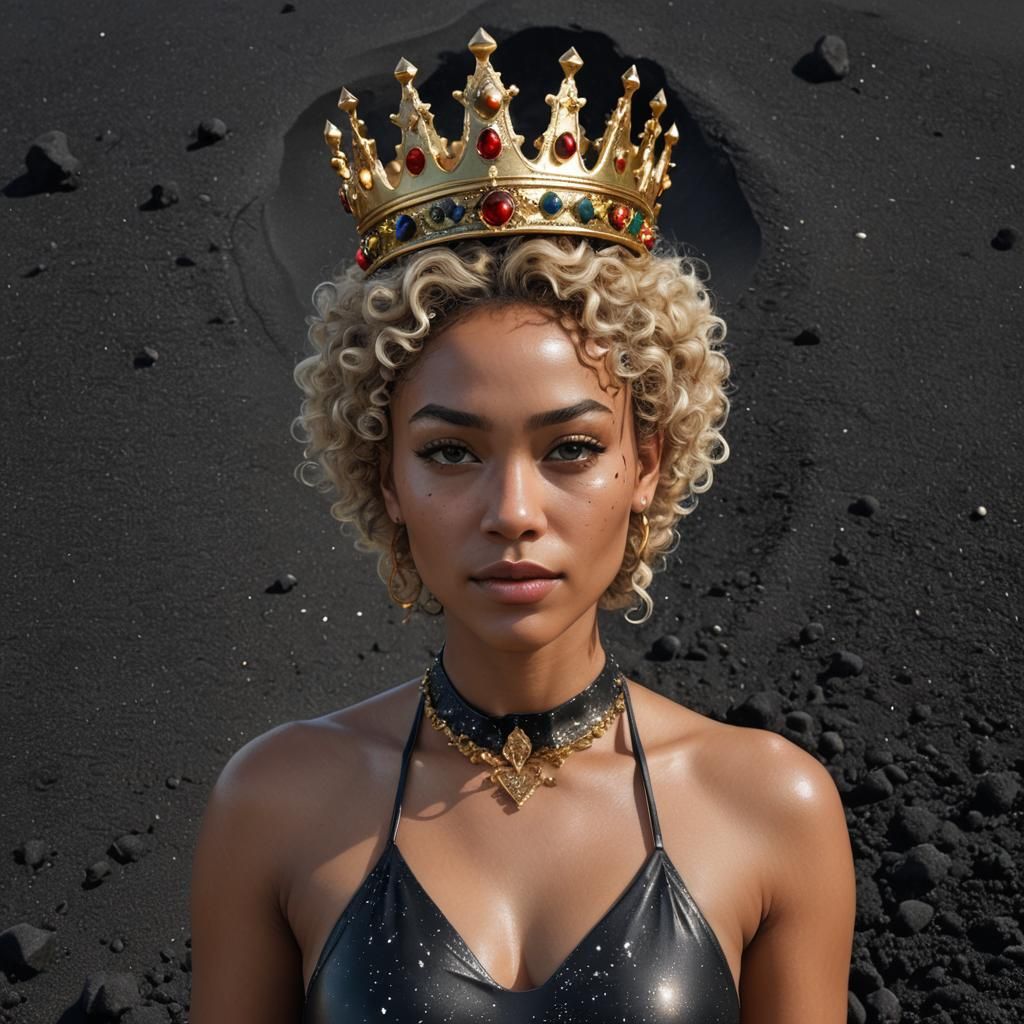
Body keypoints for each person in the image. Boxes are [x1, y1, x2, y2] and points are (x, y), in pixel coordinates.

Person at [189, 27, 856, 1024]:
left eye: (571, 448)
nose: (511, 512)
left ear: (651, 462)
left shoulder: (769, 807)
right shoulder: (276, 803)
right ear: (386, 475)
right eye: (452, 451)